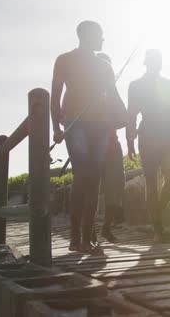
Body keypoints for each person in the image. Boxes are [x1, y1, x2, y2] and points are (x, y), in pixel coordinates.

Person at [50, 21, 120, 253]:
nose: (102, 40)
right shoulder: (64, 60)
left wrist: (126, 118)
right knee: (82, 175)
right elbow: (55, 95)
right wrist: (55, 128)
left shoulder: (104, 66)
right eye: (100, 35)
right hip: (75, 124)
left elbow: (113, 97)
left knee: (95, 179)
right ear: (88, 36)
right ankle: (75, 237)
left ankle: (87, 236)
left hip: (99, 125)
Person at [126, 49, 170, 242]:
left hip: (167, 134)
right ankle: (158, 229)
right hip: (147, 135)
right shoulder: (136, 86)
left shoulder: (169, 85)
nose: (158, 63)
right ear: (147, 63)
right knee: (151, 181)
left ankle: (156, 215)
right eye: (154, 60)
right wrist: (129, 142)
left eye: (159, 60)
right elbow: (131, 115)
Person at [95, 52, 125, 243]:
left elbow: (123, 118)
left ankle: (106, 228)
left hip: (112, 147)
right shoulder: (84, 91)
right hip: (91, 148)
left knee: (116, 186)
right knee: (90, 188)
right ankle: (88, 231)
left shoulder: (112, 91)